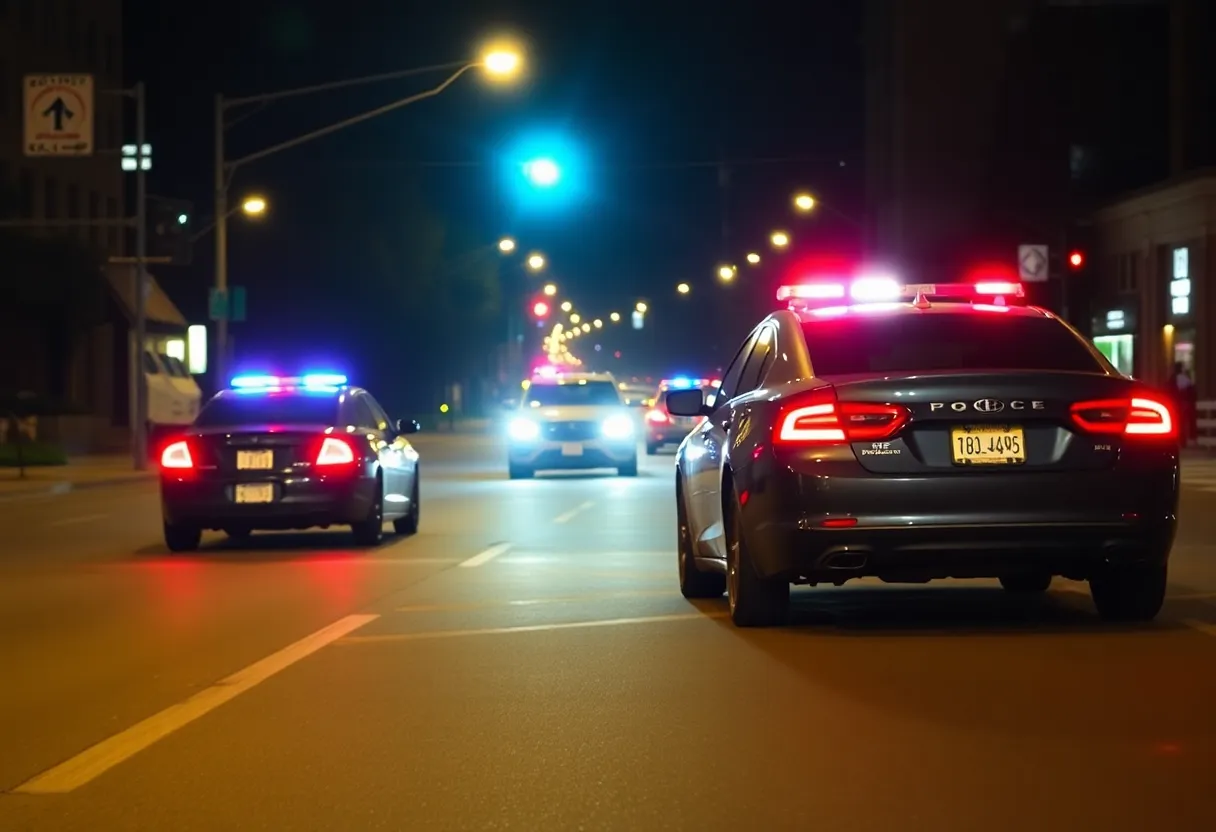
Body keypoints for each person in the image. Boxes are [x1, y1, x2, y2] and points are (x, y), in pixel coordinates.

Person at [1168, 362, 1197, 444]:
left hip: (1177, 404)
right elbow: (1191, 391)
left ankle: (1181, 439)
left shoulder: (1173, 379)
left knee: (1179, 422)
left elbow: (1170, 390)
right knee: (1184, 422)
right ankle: (1188, 438)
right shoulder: (1186, 379)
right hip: (1184, 403)